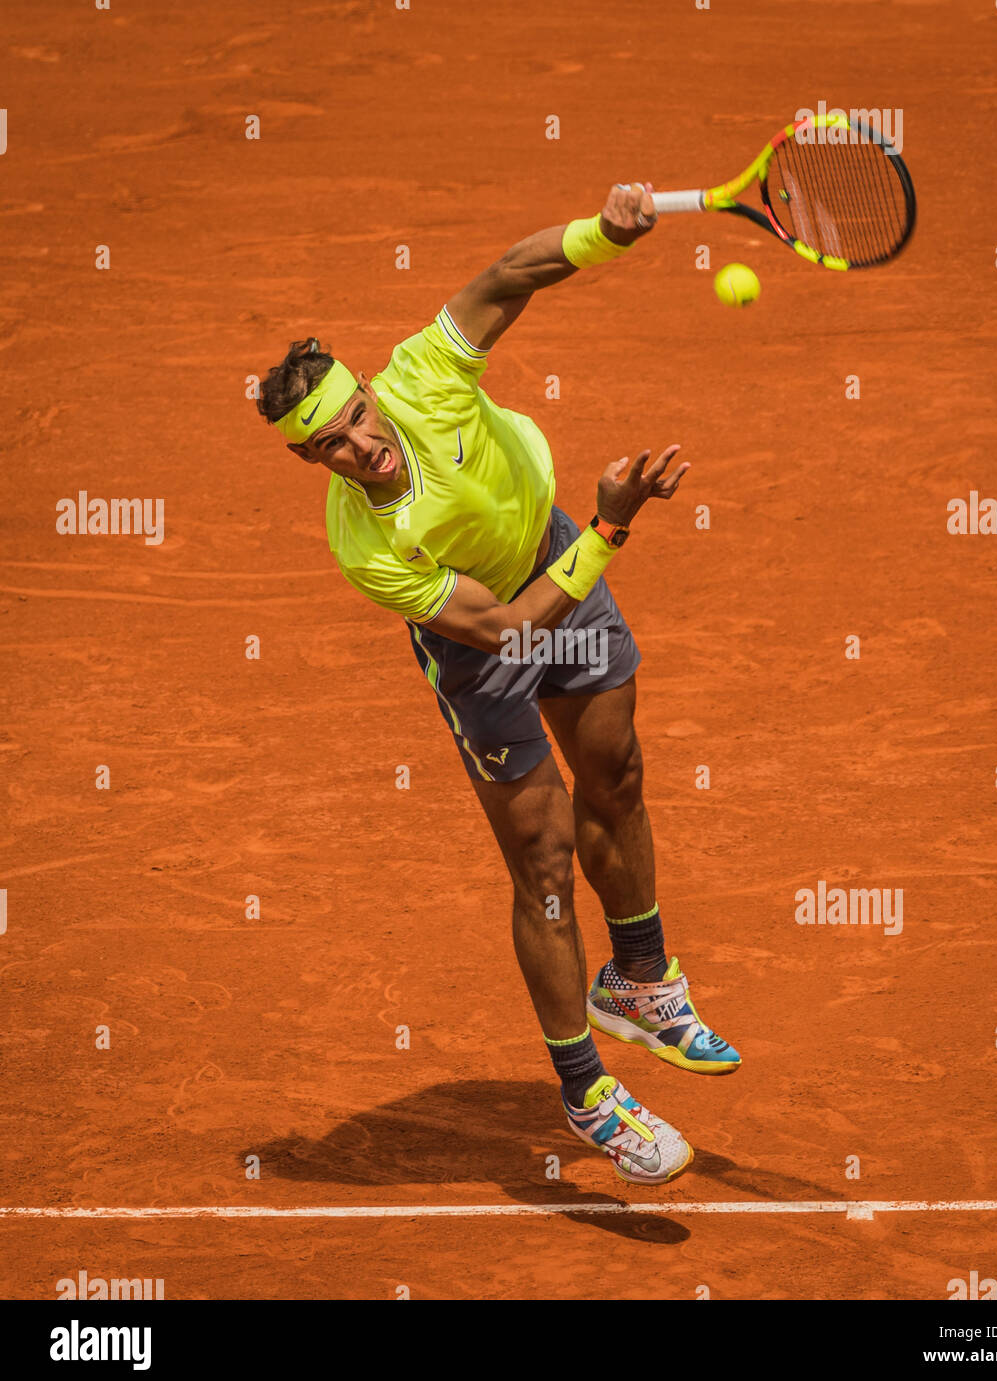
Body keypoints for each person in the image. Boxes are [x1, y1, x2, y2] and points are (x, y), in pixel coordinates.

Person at [257, 182, 739, 1185]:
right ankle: (586, 1091)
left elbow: (510, 277)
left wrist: (603, 234)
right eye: (331, 444)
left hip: (551, 547)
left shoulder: (422, 378)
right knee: (546, 860)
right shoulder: (368, 546)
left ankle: (640, 980)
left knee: (618, 771)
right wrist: (610, 527)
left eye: (356, 415)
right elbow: (513, 631)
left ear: (370, 391)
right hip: (492, 640)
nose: (361, 443)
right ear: (311, 458)